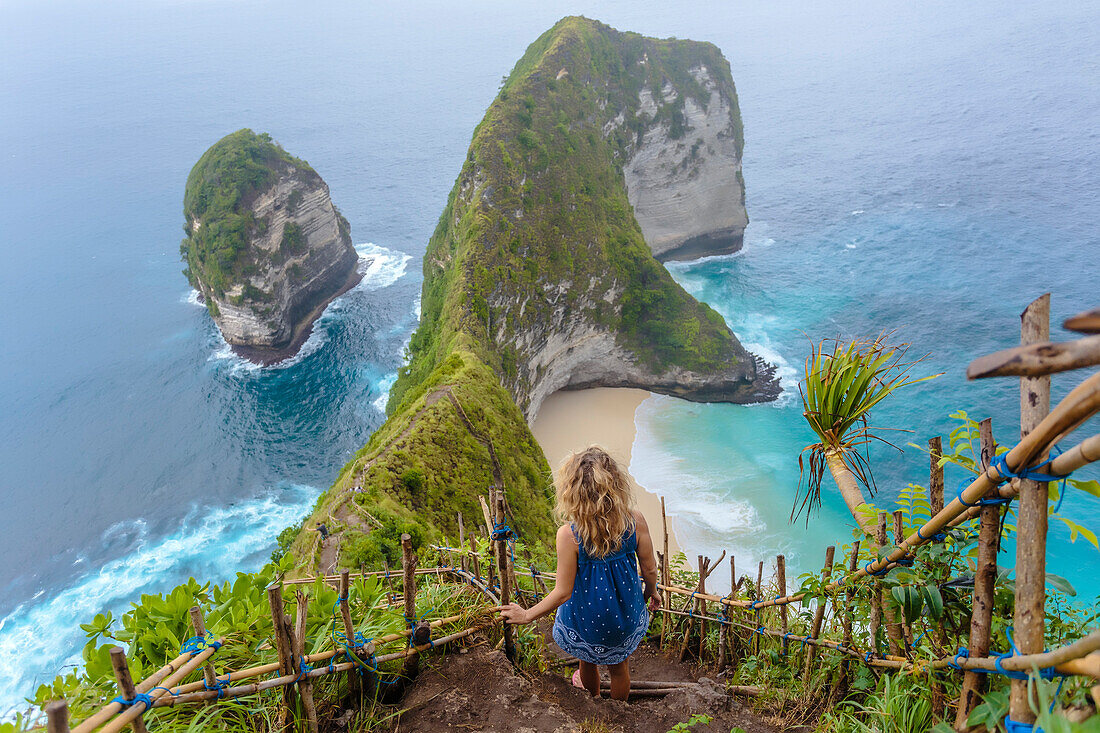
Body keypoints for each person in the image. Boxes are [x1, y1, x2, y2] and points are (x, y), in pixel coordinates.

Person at [500, 446, 661, 700]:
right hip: (623, 612)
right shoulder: (635, 521)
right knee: (620, 668)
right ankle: (617, 711)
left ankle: (593, 701)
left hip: (587, 618)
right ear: (616, 486)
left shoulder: (569, 536)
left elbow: (563, 592)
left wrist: (527, 614)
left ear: (572, 492)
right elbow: (650, 568)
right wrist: (652, 591)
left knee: (586, 662)